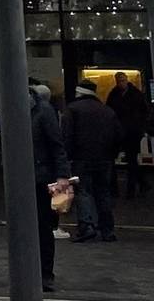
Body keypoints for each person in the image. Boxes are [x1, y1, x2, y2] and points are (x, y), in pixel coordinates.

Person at [62, 81, 122, 241]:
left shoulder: (73, 109)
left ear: (78, 93)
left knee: (83, 191)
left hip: (81, 158)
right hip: (105, 159)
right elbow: (118, 136)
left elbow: (68, 135)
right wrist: (112, 154)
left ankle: (86, 226)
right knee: (103, 192)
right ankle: (107, 229)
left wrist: (67, 156)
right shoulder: (108, 111)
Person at [29, 82, 68, 292]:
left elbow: (56, 143)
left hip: (41, 177)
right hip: (24, 178)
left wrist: (62, 175)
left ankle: (45, 274)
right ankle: (32, 271)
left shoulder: (43, 110)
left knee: (43, 227)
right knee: (27, 227)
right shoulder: (18, 108)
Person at [109, 76, 152, 194]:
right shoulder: (119, 94)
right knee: (130, 159)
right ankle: (138, 185)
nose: (120, 83)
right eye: (119, 81)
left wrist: (141, 127)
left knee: (130, 159)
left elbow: (145, 112)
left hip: (131, 131)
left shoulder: (118, 95)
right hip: (124, 130)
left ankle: (131, 188)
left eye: (122, 81)